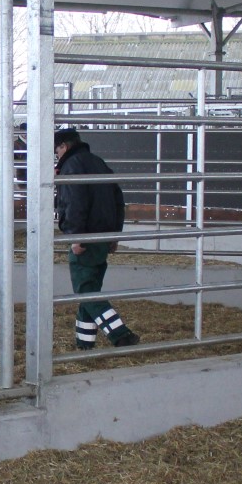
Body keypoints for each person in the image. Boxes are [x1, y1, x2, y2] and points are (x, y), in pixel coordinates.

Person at [54, 126, 137, 350]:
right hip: (103, 236)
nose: (57, 155)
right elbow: (118, 200)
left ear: (65, 146)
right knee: (90, 290)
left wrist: (76, 237)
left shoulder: (71, 167)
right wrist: (114, 235)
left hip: (86, 237)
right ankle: (84, 342)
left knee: (85, 291)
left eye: (57, 150)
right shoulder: (98, 163)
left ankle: (120, 334)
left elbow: (75, 204)